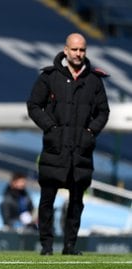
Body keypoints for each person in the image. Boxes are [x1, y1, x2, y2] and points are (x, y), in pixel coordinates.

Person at [27, 33, 110, 255]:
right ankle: (46, 245)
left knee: (76, 203)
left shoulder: (94, 80)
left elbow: (103, 112)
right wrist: (51, 128)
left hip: (81, 152)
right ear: (66, 50)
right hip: (55, 150)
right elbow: (34, 105)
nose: (78, 54)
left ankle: (70, 246)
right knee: (47, 201)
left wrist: (90, 132)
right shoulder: (49, 77)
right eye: (74, 50)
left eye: (82, 50)